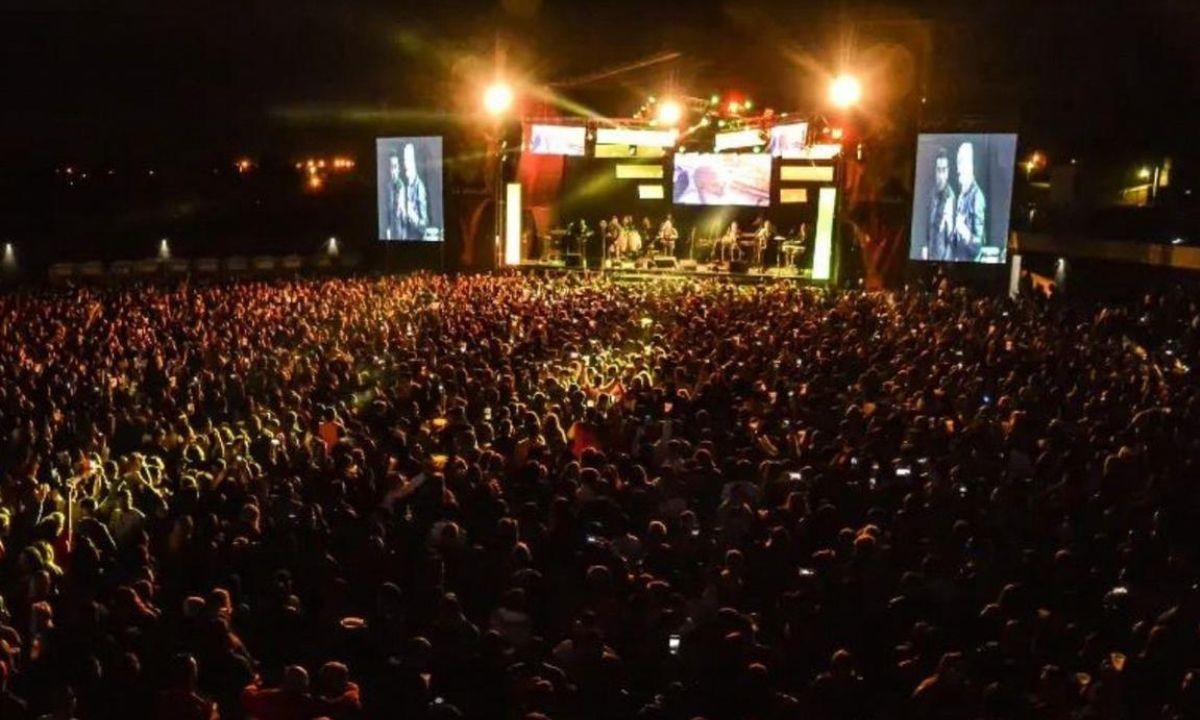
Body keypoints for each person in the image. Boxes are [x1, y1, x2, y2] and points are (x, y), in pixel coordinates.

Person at [950, 142, 986, 261]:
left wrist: (963, 229)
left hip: (971, 267)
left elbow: (977, 245)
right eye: (958, 162)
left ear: (971, 165)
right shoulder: (961, 196)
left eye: (962, 162)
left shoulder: (977, 197)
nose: (959, 168)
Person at [925, 146, 956, 261]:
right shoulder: (931, 194)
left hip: (944, 258)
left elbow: (951, 237)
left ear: (947, 172)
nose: (941, 175)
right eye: (938, 170)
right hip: (930, 256)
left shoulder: (950, 197)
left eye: (943, 170)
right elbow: (928, 227)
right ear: (935, 171)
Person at [399, 143, 429, 240]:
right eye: (404, 159)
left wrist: (413, 216)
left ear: (415, 162)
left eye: (409, 160)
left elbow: (424, 226)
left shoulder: (419, 187)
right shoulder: (405, 186)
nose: (405, 164)